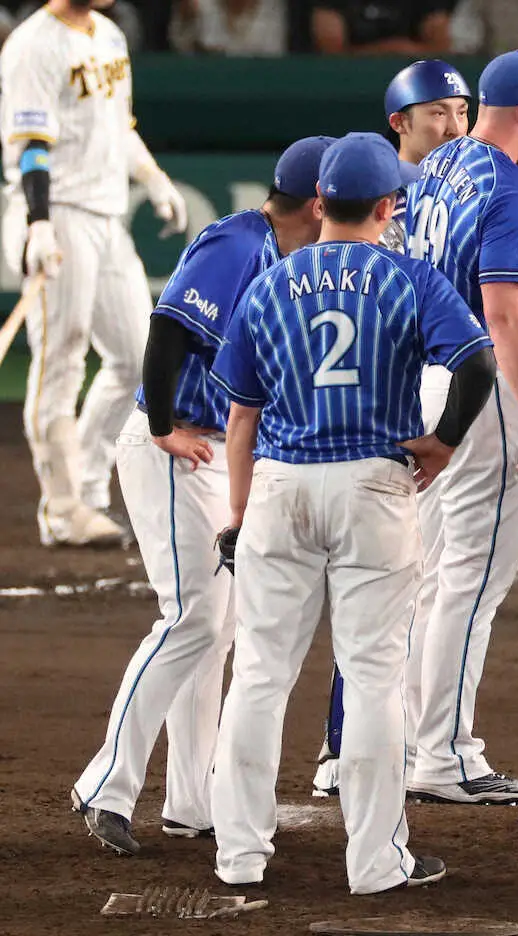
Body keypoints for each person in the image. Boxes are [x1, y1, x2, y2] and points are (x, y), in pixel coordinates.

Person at [209, 132, 497, 892]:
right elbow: (477, 361)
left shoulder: (270, 283)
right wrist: (443, 443)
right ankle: (374, 862)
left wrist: (238, 515)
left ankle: (238, 855)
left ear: (319, 202)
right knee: (373, 677)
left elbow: (241, 417)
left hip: (280, 486)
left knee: (259, 674)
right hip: (373, 485)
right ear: (387, 207)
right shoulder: (409, 277)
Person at [69, 136, 332, 856]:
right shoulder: (239, 242)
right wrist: (161, 427)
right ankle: (106, 784)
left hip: (210, 450)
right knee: (190, 617)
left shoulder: (281, 253)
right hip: (172, 448)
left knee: (215, 627)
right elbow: (167, 327)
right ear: (318, 203)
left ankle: (191, 801)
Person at [400, 50, 518, 805]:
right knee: (469, 583)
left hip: (430, 382)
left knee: (434, 577)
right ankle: (446, 757)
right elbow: (506, 315)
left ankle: (415, 743)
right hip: (489, 393)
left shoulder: (437, 166)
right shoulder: (512, 190)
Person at [312, 59, 472, 799]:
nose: (453, 124)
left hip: (414, 405)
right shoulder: (369, 196)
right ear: (399, 122)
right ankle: (343, 749)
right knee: (372, 593)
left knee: (407, 586)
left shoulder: (463, 186)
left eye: (462, 110)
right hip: (361, 421)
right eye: (437, 111)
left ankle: (385, 744)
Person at [0, 0, 188, 547]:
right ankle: (63, 509)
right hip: (58, 213)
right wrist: (38, 222)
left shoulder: (109, 33)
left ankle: (86, 486)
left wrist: (152, 177)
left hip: (106, 216)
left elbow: (118, 125)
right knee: (60, 357)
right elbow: (32, 146)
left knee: (137, 356)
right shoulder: (34, 45)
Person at [311, 0, 452, 56]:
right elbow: (332, 52)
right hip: (351, 80)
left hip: (416, 80)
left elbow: (440, 48)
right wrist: (393, 50)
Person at [168, 0, 288, 57]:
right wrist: (186, 17)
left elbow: (273, 56)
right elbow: (180, 46)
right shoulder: (201, 4)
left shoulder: (271, 6)